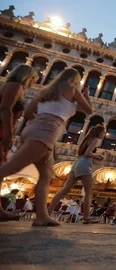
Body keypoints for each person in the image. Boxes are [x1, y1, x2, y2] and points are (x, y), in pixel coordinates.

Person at [0, 68, 93, 226]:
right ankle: (42, 216)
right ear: (76, 80)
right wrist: (86, 96)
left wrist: (40, 124)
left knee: (47, 175)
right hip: (46, 133)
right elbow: (89, 110)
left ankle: (42, 216)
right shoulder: (72, 89)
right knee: (11, 167)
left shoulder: (45, 91)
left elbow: (28, 112)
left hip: (33, 130)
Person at [0, 64, 38, 220]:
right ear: (27, 76)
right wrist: (8, 132)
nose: (34, 83)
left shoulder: (14, 87)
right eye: (34, 79)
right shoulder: (15, 86)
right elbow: (5, 108)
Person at [48, 125, 105, 224]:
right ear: (99, 132)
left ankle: (47, 213)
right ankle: (87, 217)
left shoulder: (86, 139)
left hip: (77, 163)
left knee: (64, 190)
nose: (104, 134)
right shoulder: (95, 140)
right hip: (84, 164)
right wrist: (98, 156)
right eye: (103, 132)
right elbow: (88, 153)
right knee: (88, 192)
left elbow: (83, 153)